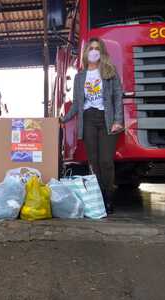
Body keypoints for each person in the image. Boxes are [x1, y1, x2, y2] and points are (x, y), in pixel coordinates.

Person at [61, 37, 124, 214]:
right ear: (86, 53)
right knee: (94, 162)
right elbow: (76, 104)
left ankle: (108, 196)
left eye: (97, 48)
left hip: (107, 119)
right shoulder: (80, 77)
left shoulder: (110, 72)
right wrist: (63, 119)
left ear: (101, 52)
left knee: (106, 161)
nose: (94, 51)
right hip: (88, 119)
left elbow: (118, 97)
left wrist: (118, 120)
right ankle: (99, 198)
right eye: (91, 48)